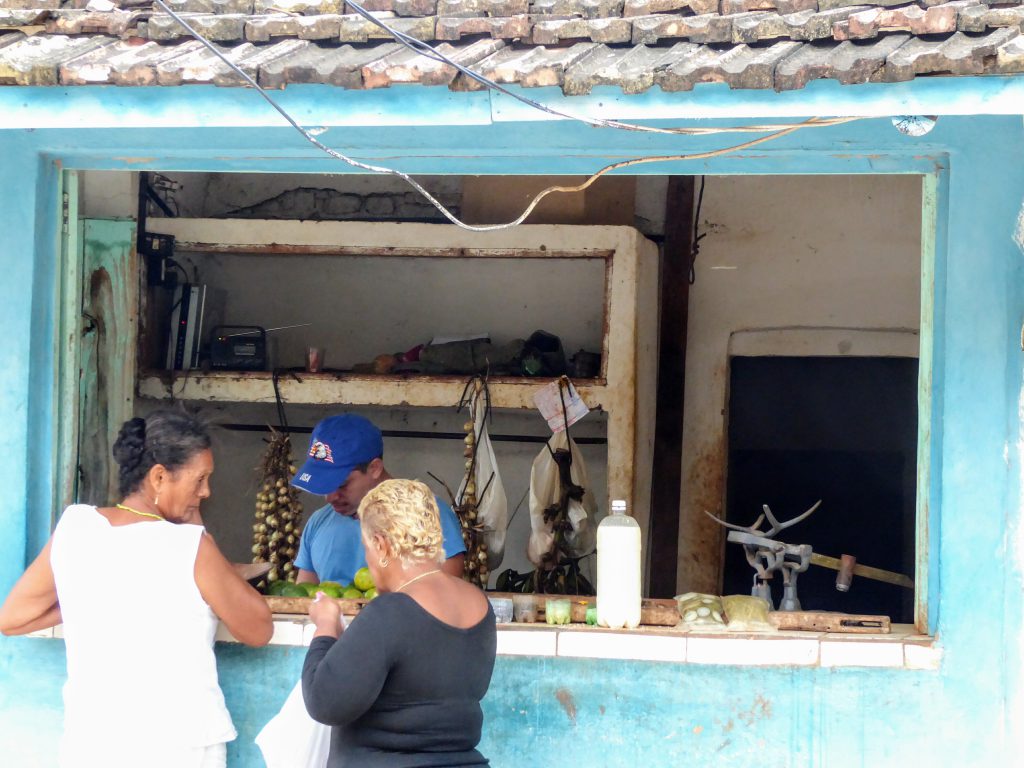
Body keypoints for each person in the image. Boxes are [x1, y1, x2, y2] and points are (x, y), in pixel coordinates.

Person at [0, 409, 273, 768]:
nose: (205, 492)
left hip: (91, 743)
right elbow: (259, 629)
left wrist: (97, 596)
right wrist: (199, 532)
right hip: (181, 747)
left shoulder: (76, 527)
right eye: (200, 479)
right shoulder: (191, 547)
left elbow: (12, 618)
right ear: (159, 476)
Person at [302, 478, 496, 767]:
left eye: (366, 547)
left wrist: (326, 628)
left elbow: (326, 702)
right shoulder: (479, 604)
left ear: (381, 545)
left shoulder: (389, 612)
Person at [291, 414, 466, 585]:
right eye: (324, 485)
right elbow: (302, 603)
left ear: (374, 468)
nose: (330, 497)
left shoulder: (429, 516)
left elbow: (445, 599)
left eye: (342, 484)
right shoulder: (318, 523)